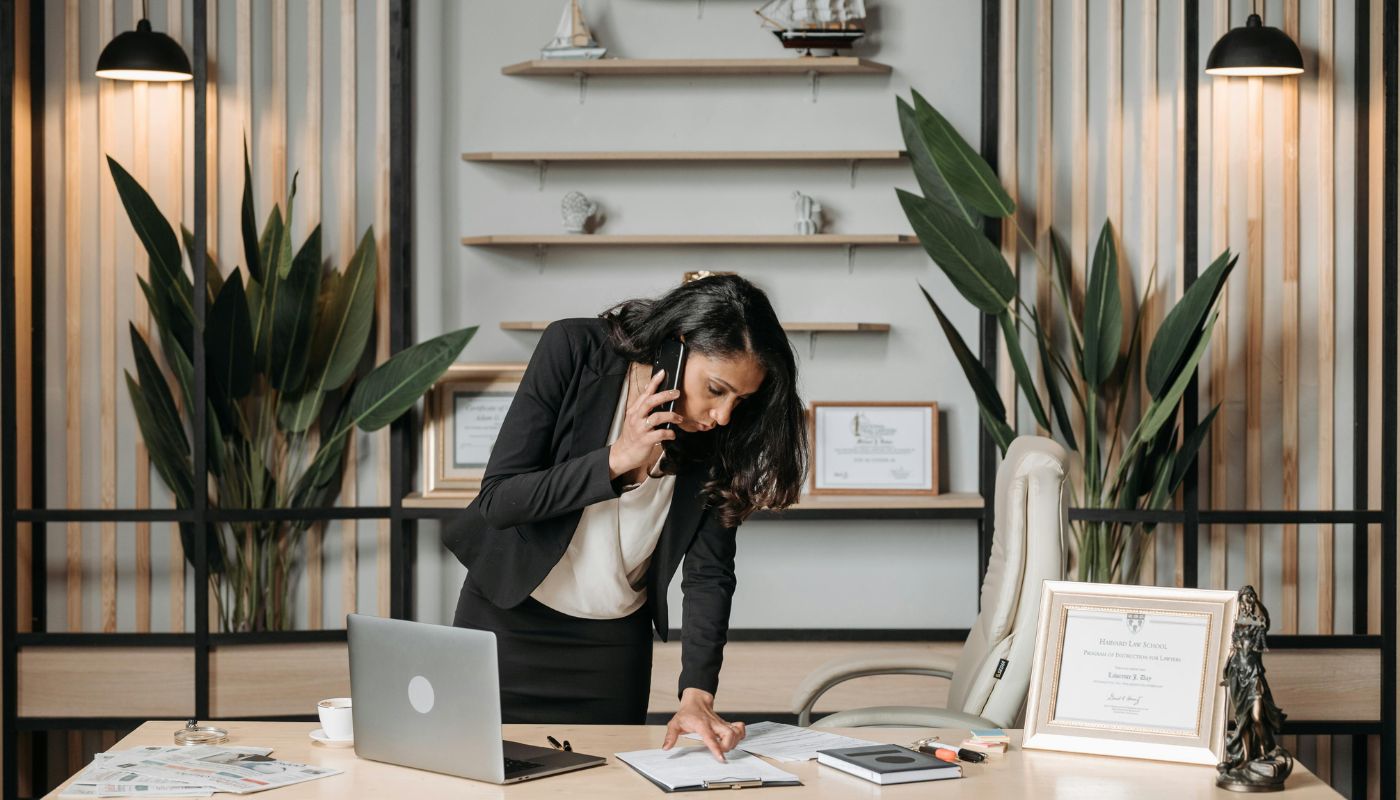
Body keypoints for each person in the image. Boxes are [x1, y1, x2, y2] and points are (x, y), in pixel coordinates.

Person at [442, 275, 808, 761]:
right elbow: (500, 500)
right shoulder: (573, 348)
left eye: (739, 401)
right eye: (716, 390)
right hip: (505, 626)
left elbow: (709, 575)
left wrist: (696, 694)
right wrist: (616, 458)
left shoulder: (720, 437)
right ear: (678, 346)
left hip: (609, 653)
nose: (722, 415)